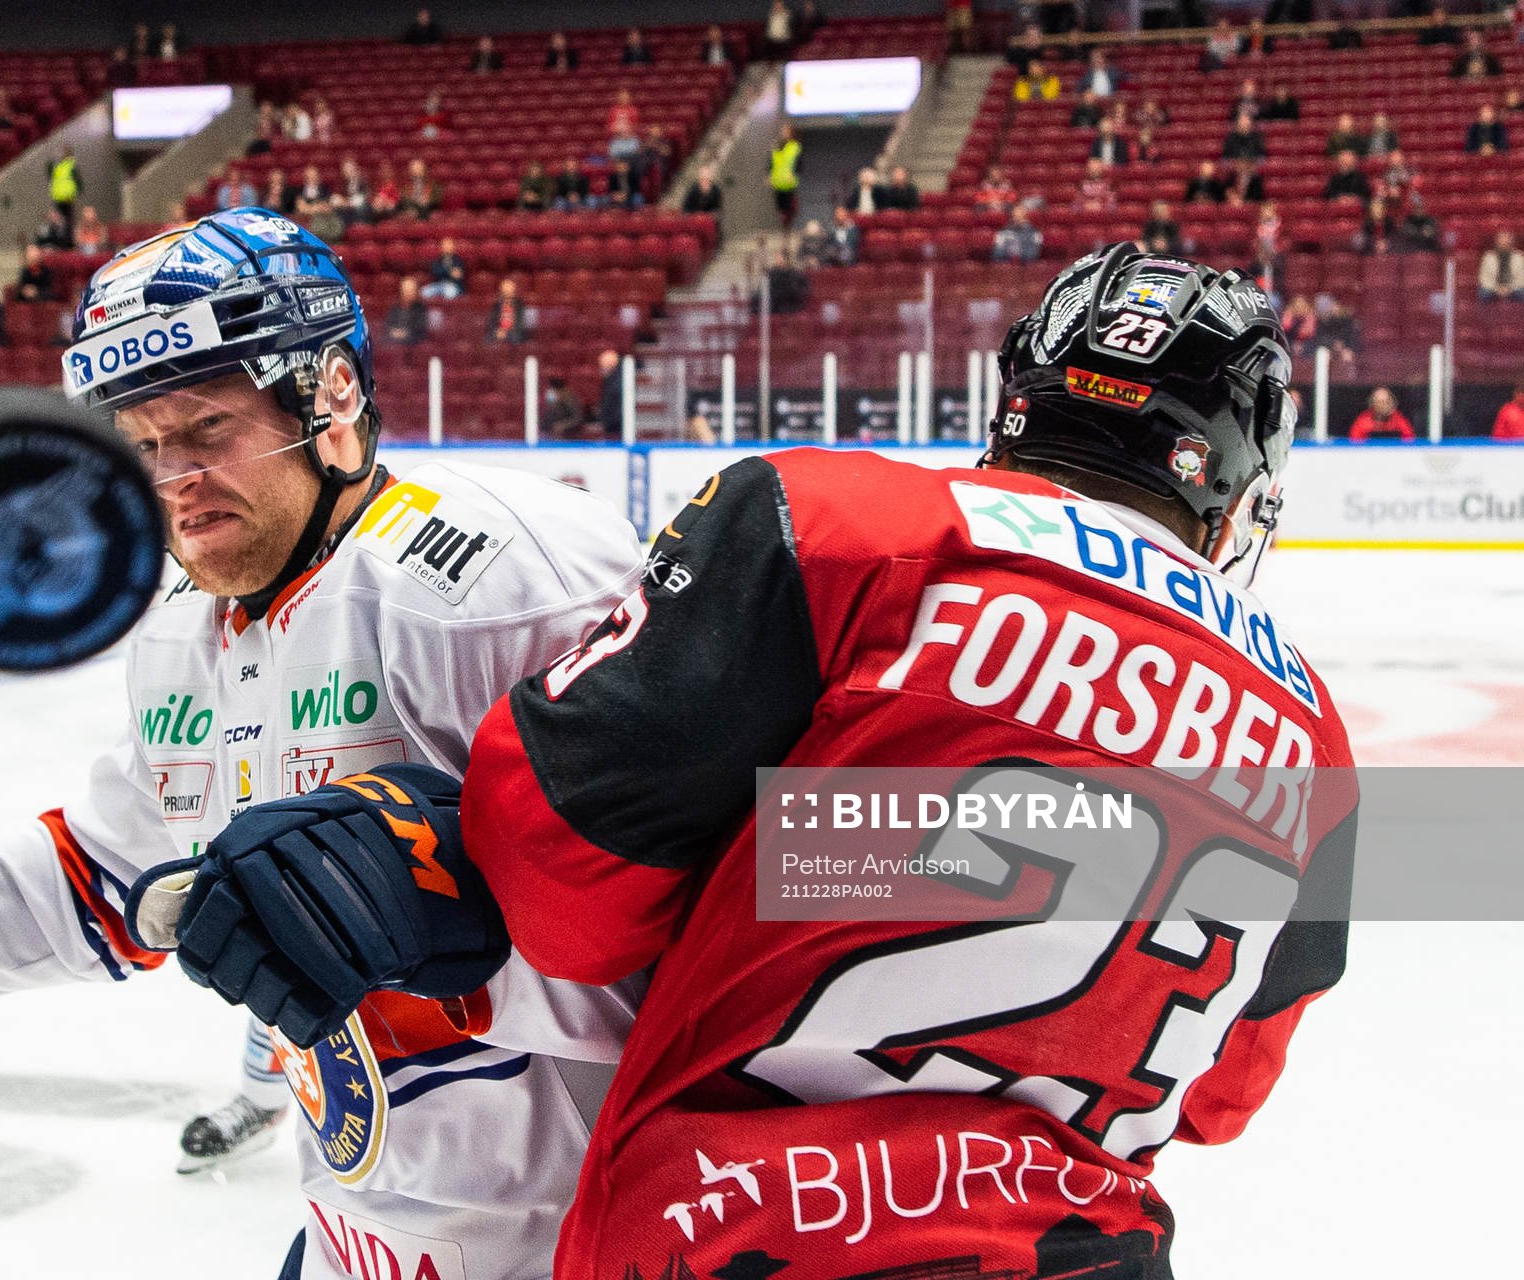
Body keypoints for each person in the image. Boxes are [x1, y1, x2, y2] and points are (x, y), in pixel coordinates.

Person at [0, 209, 643, 1277]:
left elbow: (786, 897)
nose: (173, 477)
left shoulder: (500, 582)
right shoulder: (183, 626)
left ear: (331, 395)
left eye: (207, 427)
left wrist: (464, 923)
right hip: (377, 1238)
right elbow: (115, 872)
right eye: (143, 441)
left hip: (618, 1238)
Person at [456, 244, 1357, 1276]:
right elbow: (1221, 1094)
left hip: (735, 1238)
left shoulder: (830, 524)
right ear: (1237, 486)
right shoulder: (1312, 732)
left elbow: (557, 886)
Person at [1350, 385, 1415, 441]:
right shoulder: (1363, 421)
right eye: (1379, 402)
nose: (1382, 405)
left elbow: (1409, 439)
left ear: (1391, 403)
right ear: (1372, 404)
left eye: (1386, 402)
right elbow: (1354, 443)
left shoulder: (1398, 418)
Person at [770, 125, 802, 230]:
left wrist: (794, 174)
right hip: (778, 183)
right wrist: (769, 175)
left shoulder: (795, 147)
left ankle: (787, 236)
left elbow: (798, 163)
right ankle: (784, 235)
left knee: (789, 214)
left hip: (789, 184)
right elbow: (772, 162)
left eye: (786, 131)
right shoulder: (777, 146)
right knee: (781, 213)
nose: (783, 133)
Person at [1478, 231, 1524, 301]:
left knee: (1521, 293)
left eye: (1506, 244)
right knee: (1484, 294)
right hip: (1493, 288)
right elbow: (1484, 278)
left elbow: (1521, 278)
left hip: (1514, 288)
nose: (1504, 246)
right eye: (1501, 243)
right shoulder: (1488, 257)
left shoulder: (1519, 257)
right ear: (1497, 243)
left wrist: (1509, 288)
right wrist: (1496, 289)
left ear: (1511, 244)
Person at [384, 275, 428, 344]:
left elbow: (420, 331)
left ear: (416, 292)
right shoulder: (395, 308)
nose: (407, 293)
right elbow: (387, 326)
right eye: (405, 290)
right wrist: (393, 332)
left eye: (410, 291)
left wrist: (404, 334)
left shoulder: (422, 309)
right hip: (393, 343)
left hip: (413, 344)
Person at [486, 277, 528, 344]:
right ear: (501, 291)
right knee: (488, 339)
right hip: (499, 332)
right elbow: (491, 322)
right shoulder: (497, 304)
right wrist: (496, 331)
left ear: (514, 289)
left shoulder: (521, 304)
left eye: (509, 288)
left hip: (515, 333)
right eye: (505, 289)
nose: (507, 291)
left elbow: (521, 323)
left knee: (515, 337)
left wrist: (507, 333)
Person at [596, 348, 623, 437]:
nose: (600, 369)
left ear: (610, 365)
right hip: (612, 424)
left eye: (602, 366)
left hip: (615, 427)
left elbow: (616, 407)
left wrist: (608, 422)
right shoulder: (610, 380)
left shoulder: (617, 382)